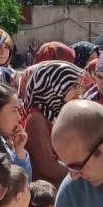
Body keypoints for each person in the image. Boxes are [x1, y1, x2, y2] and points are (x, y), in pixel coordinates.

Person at [23, 60, 84, 189]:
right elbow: (47, 166)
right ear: (53, 86)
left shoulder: (61, 114)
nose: (79, 91)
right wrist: (82, 175)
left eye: (79, 85)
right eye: (72, 86)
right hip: (48, 194)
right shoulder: (37, 119)